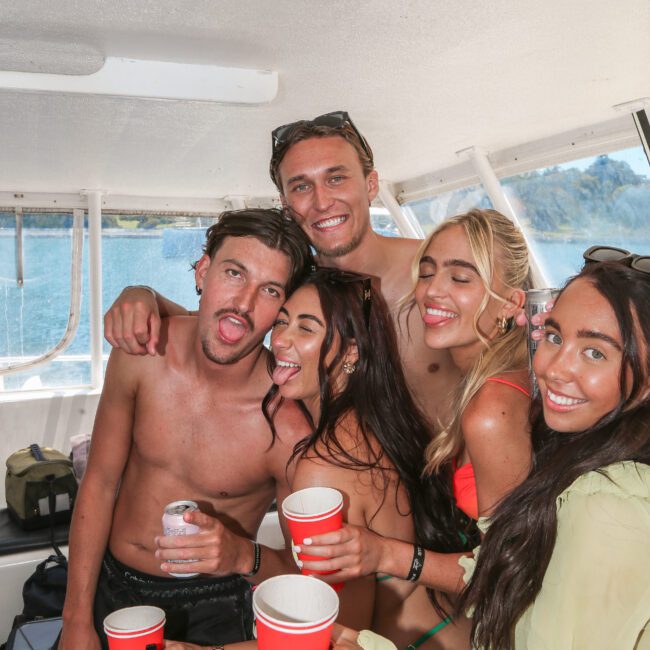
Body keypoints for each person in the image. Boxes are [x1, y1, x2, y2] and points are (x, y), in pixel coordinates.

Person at [103, 111, 460, 427]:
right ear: (286, 204)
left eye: (336, 178)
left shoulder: (436, 273)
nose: (321, 201)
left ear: (370, 185)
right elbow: (225, 323)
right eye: (302, 186)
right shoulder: (298, 291)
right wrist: (142, 294)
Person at [59, 209, 313, 650]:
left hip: (214, 607)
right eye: (234, 273)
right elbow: (98, 484)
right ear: (203, 271)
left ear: (282, 309)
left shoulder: (287, 427)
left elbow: (302, 577)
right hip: (112, 586)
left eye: (269, 290)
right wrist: (77, 619)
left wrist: (240, 554)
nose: (244, 303)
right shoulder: (142, 356)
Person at [296, 209, 532, 593]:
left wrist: (384, 554)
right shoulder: (504, 373)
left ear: (510, 302)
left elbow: (509, 575)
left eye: (459, 277)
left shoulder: (492, 409)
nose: (432, 291)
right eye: (426, 272)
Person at [265, 267, 474, 649]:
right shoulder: (388, 421)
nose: (281, 339)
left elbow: (339, 637)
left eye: (306, 328)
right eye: (281, 322)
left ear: (351, 351)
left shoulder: (323, 468)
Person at [458, 259, 650, 649]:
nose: (554, 369)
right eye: (555, 337)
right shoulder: (583, 449)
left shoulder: (607, 507)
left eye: (595, 353)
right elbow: (522, 572)